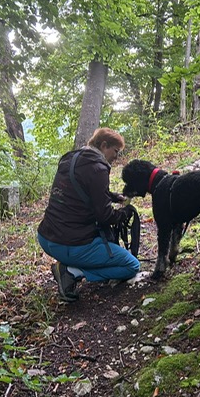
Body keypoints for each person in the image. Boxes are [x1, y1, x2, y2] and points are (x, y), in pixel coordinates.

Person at [37, 128, 140, 302]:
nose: (116, 157)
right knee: (131, 266)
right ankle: (72, 272)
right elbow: (105, 216)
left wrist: (113, 197)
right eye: (116, 151)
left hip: (46, 237)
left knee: (102, 245)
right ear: (104, 145)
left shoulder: (71, 158)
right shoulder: (98, 168)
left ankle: (69, 265)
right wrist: (124, 213)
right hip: (69, 244)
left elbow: (80, 190)